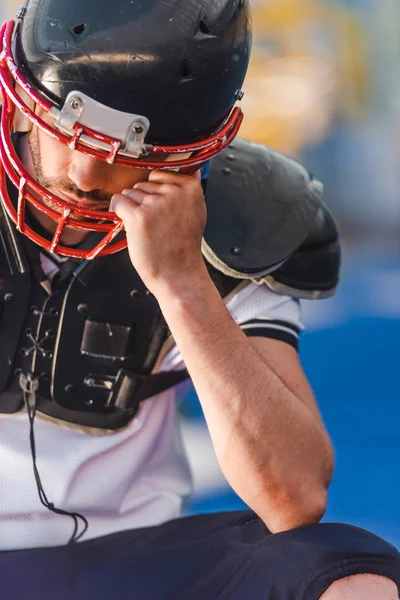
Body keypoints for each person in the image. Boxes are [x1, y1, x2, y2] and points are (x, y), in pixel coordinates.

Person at [0, 1, 399, 598]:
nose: (84, 172)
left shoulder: (237, 221)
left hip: (140, 557)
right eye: (65, 128)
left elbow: (294, 497)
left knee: (351, 580)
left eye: (123, 147)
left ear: (191, 152)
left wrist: (184, 283)